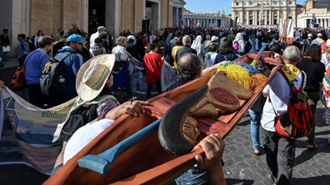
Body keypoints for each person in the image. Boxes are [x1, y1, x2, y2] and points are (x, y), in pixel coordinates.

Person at [171, 53, 226, 185]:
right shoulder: (204, 92)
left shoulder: (170, 89)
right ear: (199, 71)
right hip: (198, 156)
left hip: (175, 157)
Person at [261, 46, 305, 184]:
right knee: (285, 157)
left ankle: (274, 176)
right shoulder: (303, 75)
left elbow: (265, 92)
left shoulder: (274, 74)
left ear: (282, 57)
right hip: (290, 122)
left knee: (270, 152)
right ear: (299, 60)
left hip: (270, 120)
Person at [298, 44, 325, 150]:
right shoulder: (320, 65)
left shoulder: (302, 62)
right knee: (311, 117)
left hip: (301, 91)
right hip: (313, 93)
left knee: (298, 114)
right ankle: (310, 141)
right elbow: (320, 80)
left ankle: (295, 134)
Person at [24, 36, 55, 108]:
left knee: (33, 104)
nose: (51, 48)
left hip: (29, 82)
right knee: (40, 105)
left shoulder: (30, 53)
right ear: (46, 45)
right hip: (38, 83)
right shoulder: (44, 56)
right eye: (51, 45)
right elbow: (45, 72)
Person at [55, 33, 86, 105]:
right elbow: (79, 75)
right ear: (72, 44)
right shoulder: (77, 56)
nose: (82, 46)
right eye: (80, 43)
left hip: (59, 89)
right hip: (72, 92)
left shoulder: (58, 54)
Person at [111, 36, 135, 100]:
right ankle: (129, 96)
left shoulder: (114, 48)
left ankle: (113, 97)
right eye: (125, 42)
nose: (126, 43)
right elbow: (123, 58)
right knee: (127, 82)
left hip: (115, 67)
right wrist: (128, 59)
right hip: (122, 67)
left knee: (115, 83)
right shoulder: (122, 49)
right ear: (122, 43)